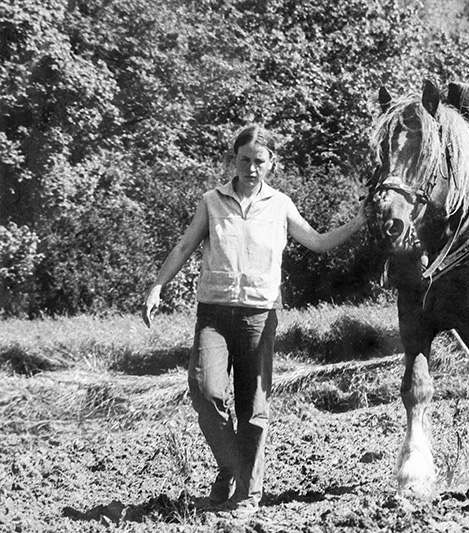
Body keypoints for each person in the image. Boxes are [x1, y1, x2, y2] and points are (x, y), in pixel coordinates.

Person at [142, 124, 366, 516]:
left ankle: (247, 494)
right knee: (204, 391)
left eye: (259, 161)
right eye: (244, 160)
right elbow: (183, 245)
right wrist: (157, 286)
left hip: (260, 316)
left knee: (253, 406)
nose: (250, 168)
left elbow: (317, 240)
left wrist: (360, 220)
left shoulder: (280, 205)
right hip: (213, 313)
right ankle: (231, 466)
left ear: (271, 164)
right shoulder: (212, 201)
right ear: (234, 160)